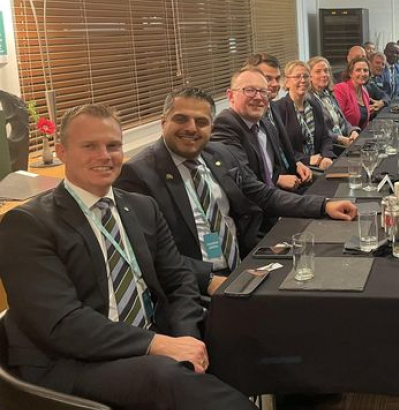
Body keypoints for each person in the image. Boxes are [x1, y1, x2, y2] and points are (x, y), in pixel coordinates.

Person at [0, 104, 256, 410]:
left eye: (113, 146)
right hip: (72, 360)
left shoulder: (141, 207)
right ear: (63, 152)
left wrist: (185, 339)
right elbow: (62, 323)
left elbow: (179, 281)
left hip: (150, 334)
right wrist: (157, 345)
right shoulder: (29, 225)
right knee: (166, 376)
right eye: (89, 146)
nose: (104, 156)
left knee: (246, 336)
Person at [117, 88, 355, 296]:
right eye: (181, 119)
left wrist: (323, 206)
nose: (191, 128)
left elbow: (263, 195)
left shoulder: (218, 154)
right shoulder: (137, 174)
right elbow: (150, 253)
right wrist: (207, 280)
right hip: (195, 287)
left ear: (211, 125)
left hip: (244, 263)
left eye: (201, 122)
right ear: (163, 122)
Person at [212, 67, 312, 192]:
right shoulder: (225, 125)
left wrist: (296, 165)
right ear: (231, 96)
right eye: (250, 90)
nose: (259, 97)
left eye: (263, 91)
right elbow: (247, 186)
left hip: (280, 195)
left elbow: (273, 171)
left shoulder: (266, 125)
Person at [274, 60, 336, 170]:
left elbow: (325, 137)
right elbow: (281, 148)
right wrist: (307, 159)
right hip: (297, 169)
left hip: (320, 165)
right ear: (287, 82)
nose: (302, 80)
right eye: (297, 77)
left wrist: (327, 156)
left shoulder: (314, 105)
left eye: (306, 76)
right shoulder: (278, 109)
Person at [308, 55, 360, 148]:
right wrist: (339, 138)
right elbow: (318, 131)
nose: (324, 74)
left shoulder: (329, 94)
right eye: (318, 72)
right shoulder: (308, 99)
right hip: (328, 147)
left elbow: (343, 121)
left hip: (343, 142)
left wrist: (352, 131)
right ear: (309, 76)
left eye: (326, 71)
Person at [334, 56, 372, 129]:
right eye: (358, 70)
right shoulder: (340, 89)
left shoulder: (364, 91)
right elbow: (338, 120)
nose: (363, 74)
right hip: (346, 137)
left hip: (360, 136)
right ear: (350, 73)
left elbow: (365, 123)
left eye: (365, 70)